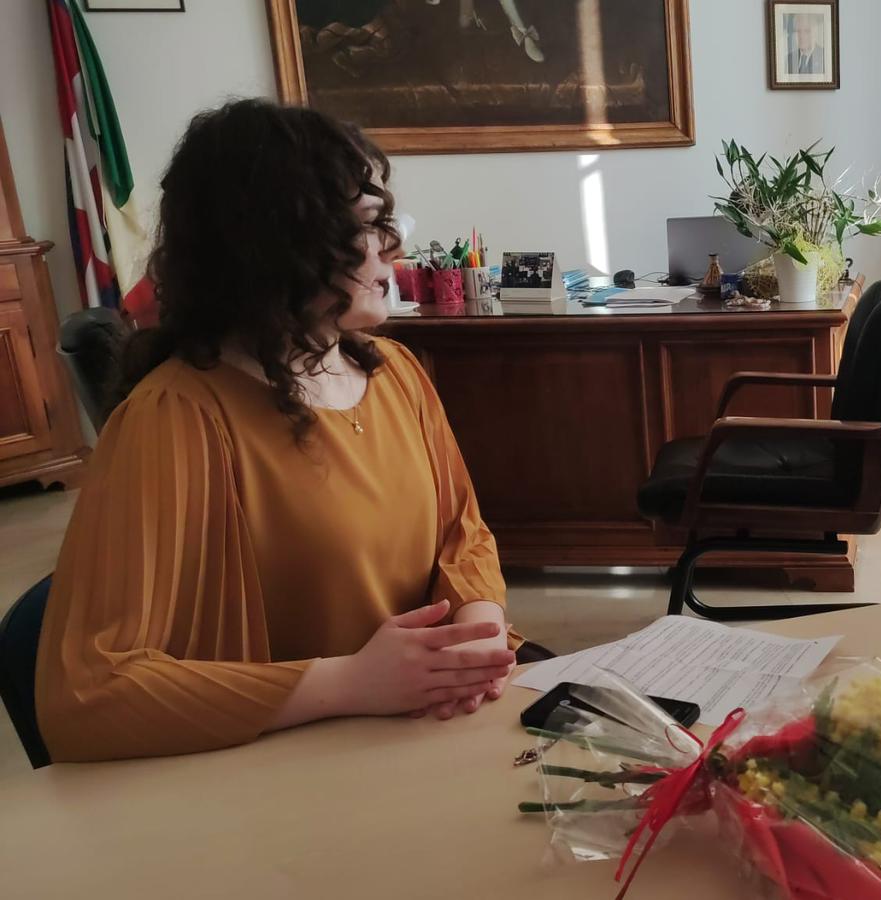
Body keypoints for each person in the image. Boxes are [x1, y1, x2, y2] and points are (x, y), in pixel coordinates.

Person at [34, 99, 522, 762]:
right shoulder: (173, 419)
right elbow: (83, 694)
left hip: (422, 738)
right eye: (368, 224)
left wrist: (476, 628)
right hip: (283, 775)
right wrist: (350, 683)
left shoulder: (396, 372)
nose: (394, 247)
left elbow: (463, 537)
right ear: (276, 243)